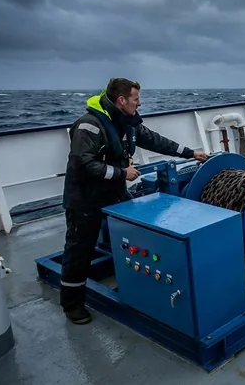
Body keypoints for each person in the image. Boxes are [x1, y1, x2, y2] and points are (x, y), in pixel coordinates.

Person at [60, 78, 209, 324]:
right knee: (79, 251)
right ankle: (72, 305)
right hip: (84, 199)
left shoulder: (126, 122)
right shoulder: (90, 126)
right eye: (136, 99)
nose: (139, 103)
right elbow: (83, 164)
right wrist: (122, 173)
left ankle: (138, 278)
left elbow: (155, 141)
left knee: (135, 232)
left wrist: (191, 153)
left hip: (114, 193)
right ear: (122, 100)